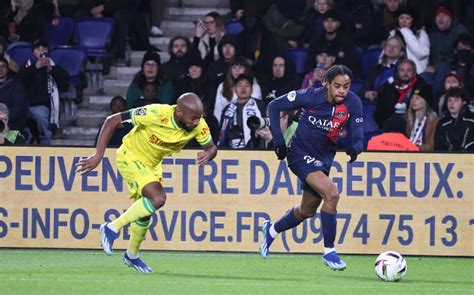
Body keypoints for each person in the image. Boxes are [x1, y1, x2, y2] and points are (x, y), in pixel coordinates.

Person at [76, 92, 218, 273]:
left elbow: (212, 147)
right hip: (131, 155)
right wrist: (98, 156)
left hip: (152, 165)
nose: (197, 122)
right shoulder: (156, 113)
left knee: (145, 210)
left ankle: (131, 256)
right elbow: (112, 121)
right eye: (193, 118)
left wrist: (209, 154)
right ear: (179, 112)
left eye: (200, 117)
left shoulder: (198, 125)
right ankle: (111, 228)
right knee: (158, 198)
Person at [261, 65, 363, 271]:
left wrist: (356, 148)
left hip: (324, 159)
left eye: (346, 86)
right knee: (332, 194)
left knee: (307, 210)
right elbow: (273, 106)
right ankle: (329, 252)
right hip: (299, 154)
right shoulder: (310, 96)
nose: (342, 91)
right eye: (337, 86)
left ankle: (271, 230)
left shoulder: (353, 102)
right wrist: (279, 142)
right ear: (326, 84)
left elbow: (358, 131)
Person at [18, 40, 69, 144]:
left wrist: (52, 70)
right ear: (33, 53)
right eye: (38, 49)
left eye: (44, 49)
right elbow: (20, 81)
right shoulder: (28, 65)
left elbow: (65, 83)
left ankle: (47, 141)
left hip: (44, 106)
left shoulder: (53, 66)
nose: (41, 51)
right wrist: (35, 67)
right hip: (25, 104)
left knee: (40, 114)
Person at [216, 74, 265, 149]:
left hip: (255, 148)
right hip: (230, 149)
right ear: (235, 89)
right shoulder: (227, 109)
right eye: (239, 86)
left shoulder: (259, 105)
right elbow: (222, 133)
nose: (243, 89)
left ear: (252, 89)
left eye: (247, 86)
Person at [434, 87, 474, 151]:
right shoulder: (442, 123)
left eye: (456, 100)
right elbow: (439, 148)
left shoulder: (472, 121)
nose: (452, 103)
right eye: (450, 100)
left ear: (464, 102)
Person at [405, 84, 438, 151]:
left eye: (418, 98)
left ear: (425, 101)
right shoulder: (406, 118)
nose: (414, 101)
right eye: (412, 97)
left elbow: (432, 146)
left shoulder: (433, 121)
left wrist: (415, 147)